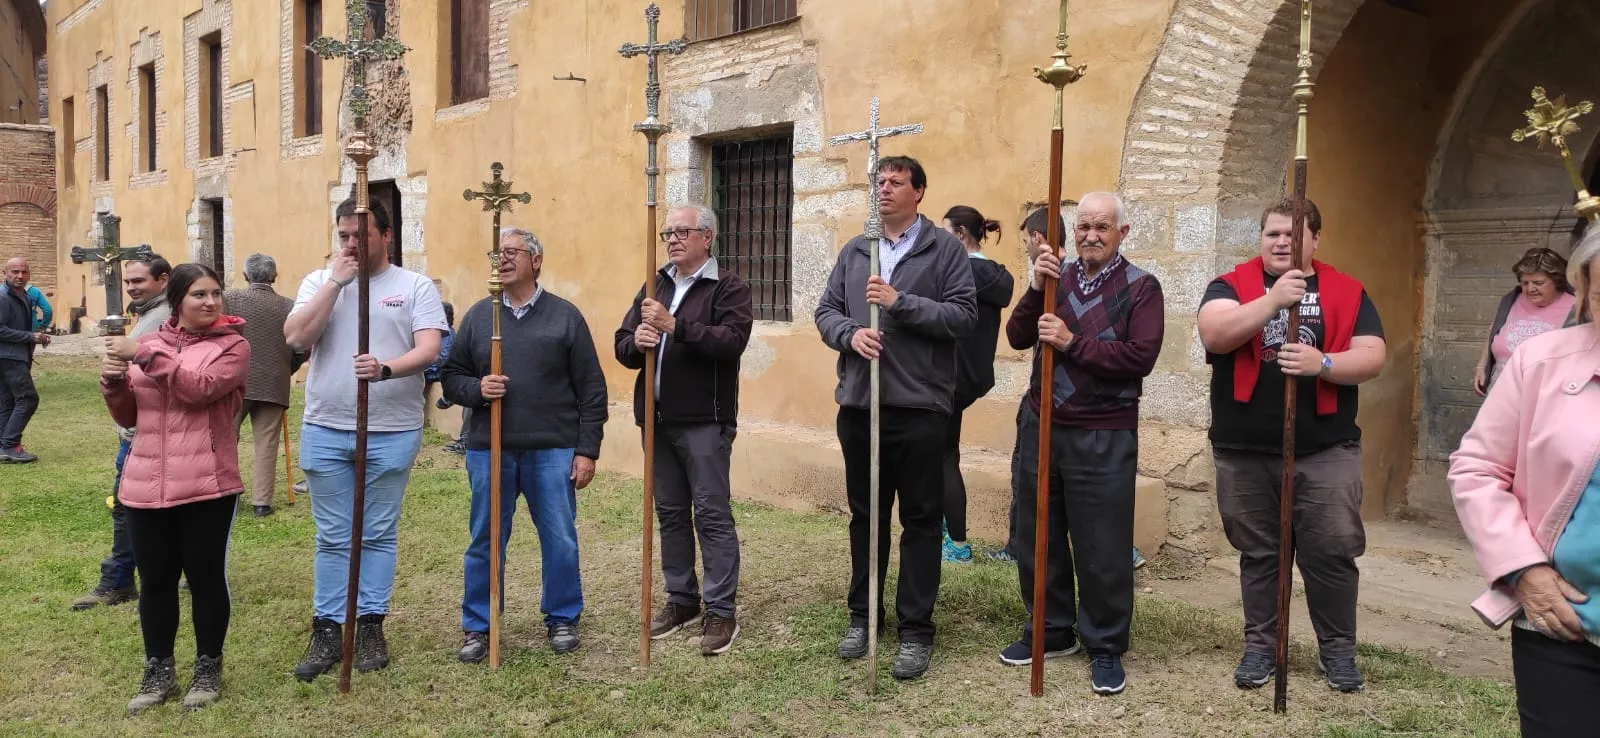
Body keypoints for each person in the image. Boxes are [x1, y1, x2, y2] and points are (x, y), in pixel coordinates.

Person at [1197, 198, 1387, 693]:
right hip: (1245, 450)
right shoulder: (1230, 285)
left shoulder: (1347, 290)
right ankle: (1262, 648)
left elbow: (1372, 355)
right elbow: (1215, 334)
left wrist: (1323, 364)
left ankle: (1338, 651)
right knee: (1260, 555)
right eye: (1273, 234)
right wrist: (1273, 300)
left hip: (1326, 449)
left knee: (1331, 553)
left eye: (1293, 234)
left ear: (1315, 240)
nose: (1281, 242)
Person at [814, 155, 977, 680]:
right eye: (879, 181)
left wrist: (900, 301)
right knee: (866, 518)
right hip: (861, 406)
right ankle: (864, 618)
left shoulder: (944, 249)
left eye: (896, 182)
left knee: (921, 520)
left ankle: (915, 630)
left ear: (919, 191)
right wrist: (850, 334)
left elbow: (963, 316)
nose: (884, 188)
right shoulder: (856, 249)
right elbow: (826, 311)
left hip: (919, 407)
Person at [1001, 194, 1164, 697]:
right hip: (1043, 424)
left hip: (1104, 430)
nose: (1091, 235)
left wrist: (1074, 343)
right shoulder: (1057, 278)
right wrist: (1035, 288)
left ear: (1122, 232)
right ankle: (1051, 629)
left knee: (1103, 543)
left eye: (1102, 227)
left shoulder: (1141, 287)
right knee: (1038, 532)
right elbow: (1017, 336)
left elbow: (1140, 356)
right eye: (1084, 226)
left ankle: (1105, 643)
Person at [283, 198, 447, 681]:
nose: (351, 244)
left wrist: (386, 368)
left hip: (392, 430)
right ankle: (329, 627)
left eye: (361, 235)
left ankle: (370, 623)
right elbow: (296, 338)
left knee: (376, 532)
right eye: (344, 236)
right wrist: (337, 283)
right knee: (333, 536)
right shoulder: (319, 281)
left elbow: (430, 348)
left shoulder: (414, 286)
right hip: (327, 426)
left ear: (387, 235)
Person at [1450, 229, 1600, 737]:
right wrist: (1523, 569)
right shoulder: (1540, 362)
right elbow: (1478, 468)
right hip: (1565, 629)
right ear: (1584, 291)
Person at [441, 227, 607, 661]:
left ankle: (562, 617)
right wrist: (479, 388)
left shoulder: (565, 317)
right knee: (485, 538)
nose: (503, 259)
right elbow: (451, 377)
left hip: (552, 448)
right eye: (498, 252)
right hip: (490, 448)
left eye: (513, 251)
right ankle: (479, 625)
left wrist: (586, 449)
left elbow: (592, 389)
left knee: (560, 538)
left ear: (536, 261)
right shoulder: (481, 316)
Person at [100, 262, 250, 714]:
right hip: (145, 484)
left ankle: (208, 668)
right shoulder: (150, 344)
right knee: (155, 583)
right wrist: (113, 383)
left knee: (205, 579)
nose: (211, 302)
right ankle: (158, 670)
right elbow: (130, 415)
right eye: (199, 295)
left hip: (207, 483)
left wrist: (144, 356)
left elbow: (199, 389)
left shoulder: (233, 346)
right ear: (177, 301)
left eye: (216, 293)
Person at [615, 204, 754, 656]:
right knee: (671, 513)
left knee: (711, 514)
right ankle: (682, 600)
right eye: (667, 233)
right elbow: (622, 342)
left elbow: (731, 342)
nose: (672, 240)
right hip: (656, 420)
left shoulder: (728, 287)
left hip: (703, 421)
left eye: (681, 232)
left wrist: (676, 326)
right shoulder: (654, 284)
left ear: (706, 237)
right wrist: (636, 342)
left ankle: (721, 610)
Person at [73, 254, 175, 610]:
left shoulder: (161, 317)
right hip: (141, 427)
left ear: (163, 280)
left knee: (127, 505)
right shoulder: (151, 312)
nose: (131, 287)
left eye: (139, 281)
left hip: (144, 429)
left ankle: (118, 581)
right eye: (128, 281)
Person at [937, 206, 1014, 564]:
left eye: (945, 234)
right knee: (942, 453)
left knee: (943, 456)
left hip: (947, 376)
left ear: (961, 235)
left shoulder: (958, 272)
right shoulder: (995, 275)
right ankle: (946, 529)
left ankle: (956, 543)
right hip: (973, 377)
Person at [224, 254, 297, 518]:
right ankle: (261, 503)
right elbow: (302, 346)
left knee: (225, 439)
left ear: (245, 275)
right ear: (274, 276)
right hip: (274, 383)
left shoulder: (229, 299)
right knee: (267, 444)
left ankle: (227, 496)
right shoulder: (290, 306)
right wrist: (287, 368)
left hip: (233, 382)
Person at [1473, 247, 1577, 395]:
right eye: (1525, 283)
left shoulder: (1576, 307)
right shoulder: (1512, 300)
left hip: (1546, 393)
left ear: (1557, 281)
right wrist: (1481, 366)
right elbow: (1493, 333)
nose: (1530, 288)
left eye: (1538, 283)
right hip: (1501, 387)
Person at [0, 258, 50, 463]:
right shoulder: (3, 297)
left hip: (16, 355)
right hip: (8, 356)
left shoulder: (25, 296)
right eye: (14, 272)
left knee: (8, 400)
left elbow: (22, 327)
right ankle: (10, 444)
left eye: (24, 272)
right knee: (28, 399)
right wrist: (30, 337)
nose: (19, 276)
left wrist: (38, 336)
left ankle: (3, 446)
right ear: (5, 273)